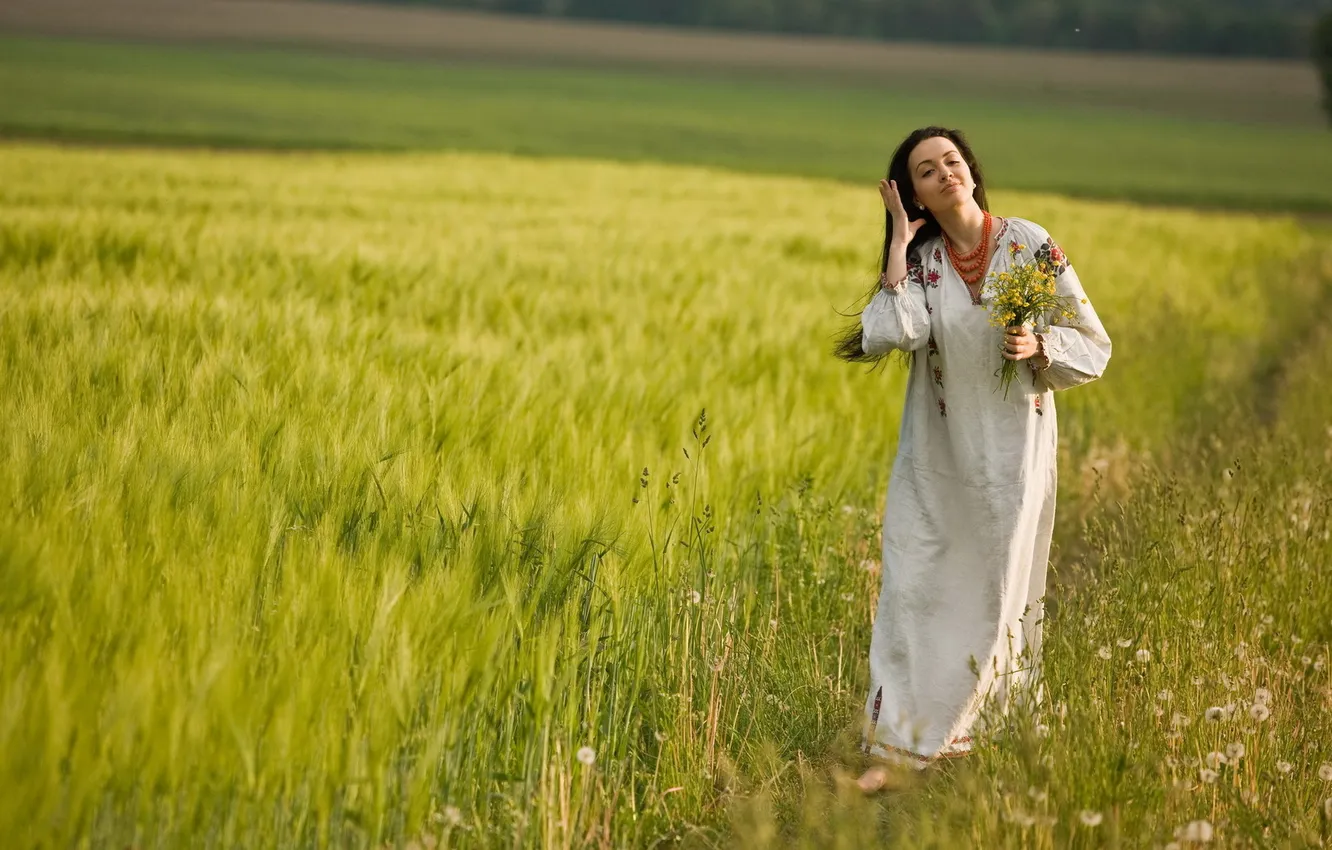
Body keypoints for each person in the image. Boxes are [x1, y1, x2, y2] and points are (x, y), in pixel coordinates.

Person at [831, 127, 1112, 788]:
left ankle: (970, 731)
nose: (944, 173)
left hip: (1013, 457)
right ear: (915, 192)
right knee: (915, 584)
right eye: (926, 170)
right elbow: (893, 333)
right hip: (936, 457)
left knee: (993, 594)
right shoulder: (923, 262)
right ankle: (901, 743)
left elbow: (1092, 345)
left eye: (951, 161)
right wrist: (899, 244)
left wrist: (1039, 346)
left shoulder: (1030, 246)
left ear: (971, 170)